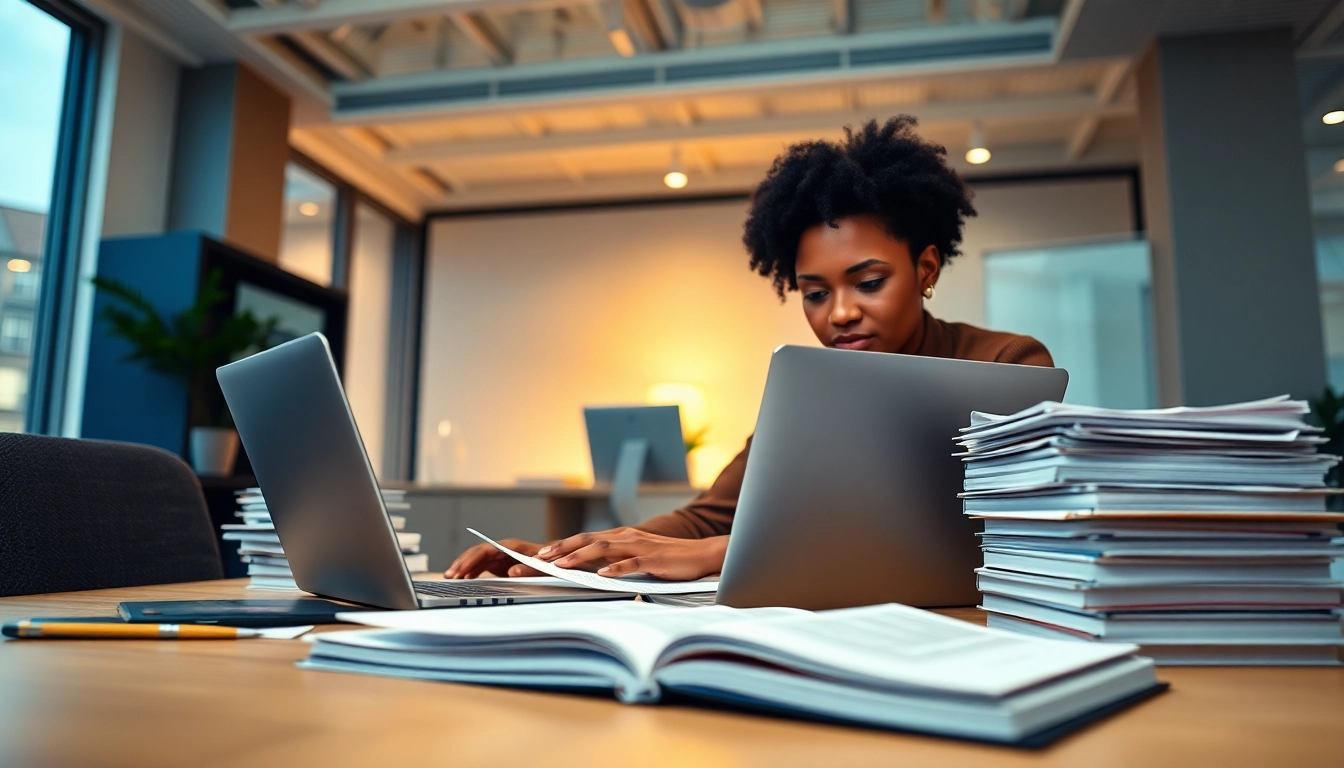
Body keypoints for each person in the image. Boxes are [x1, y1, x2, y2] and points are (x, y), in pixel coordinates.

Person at [445, 115, 1053, 583]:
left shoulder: (1007, 367)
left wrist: (721, 554)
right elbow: (710, 516)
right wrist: (569, 556)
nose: (839, 312)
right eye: (815, 293)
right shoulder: (808, 394)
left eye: (868, 283)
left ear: (924, 268)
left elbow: (979, 535)